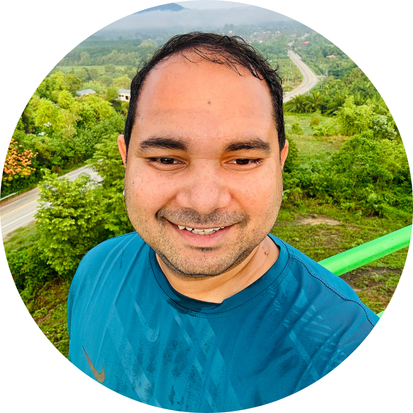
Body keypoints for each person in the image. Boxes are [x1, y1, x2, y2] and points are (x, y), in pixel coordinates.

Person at [67, 32, 379, 412]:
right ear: (126, 157)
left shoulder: (344, 352)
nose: (203, 202)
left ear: (280, 162)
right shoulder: (97, 269)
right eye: (166, 159)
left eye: (243, 160)